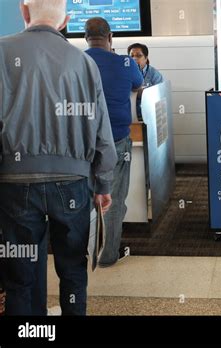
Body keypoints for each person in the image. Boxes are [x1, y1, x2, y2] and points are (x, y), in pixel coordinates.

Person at [0, 0, 117, 315]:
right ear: (65, 21)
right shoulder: (83, 63)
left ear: (24, 13)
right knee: (73, 271)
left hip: (14, 182)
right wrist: (104, 184)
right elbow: (101, 131)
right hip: (73, 182)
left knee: (19, 277)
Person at [85, 18, 144, 268]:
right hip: (117, 140)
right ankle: (108, 255)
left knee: (83, 200)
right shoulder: (126, 62)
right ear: (110, 37)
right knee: (114, 199)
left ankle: (81, 255)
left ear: (86, 38)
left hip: (82, 144)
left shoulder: (78, 61)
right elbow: (138, 84)